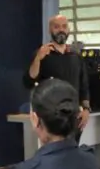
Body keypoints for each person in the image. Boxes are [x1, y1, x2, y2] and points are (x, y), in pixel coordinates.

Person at [25, 14, 90, 142]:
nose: (61, 30)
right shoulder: (42, 54)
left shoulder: (75, 55)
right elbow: (29, 81)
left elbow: (84, 85)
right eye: (56, 27)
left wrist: (86, 110)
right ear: (50, 30)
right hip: (51, 118)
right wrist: (38, 58)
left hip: (73, 116)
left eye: (64, 26)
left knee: (72, 152)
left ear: (68, 30)